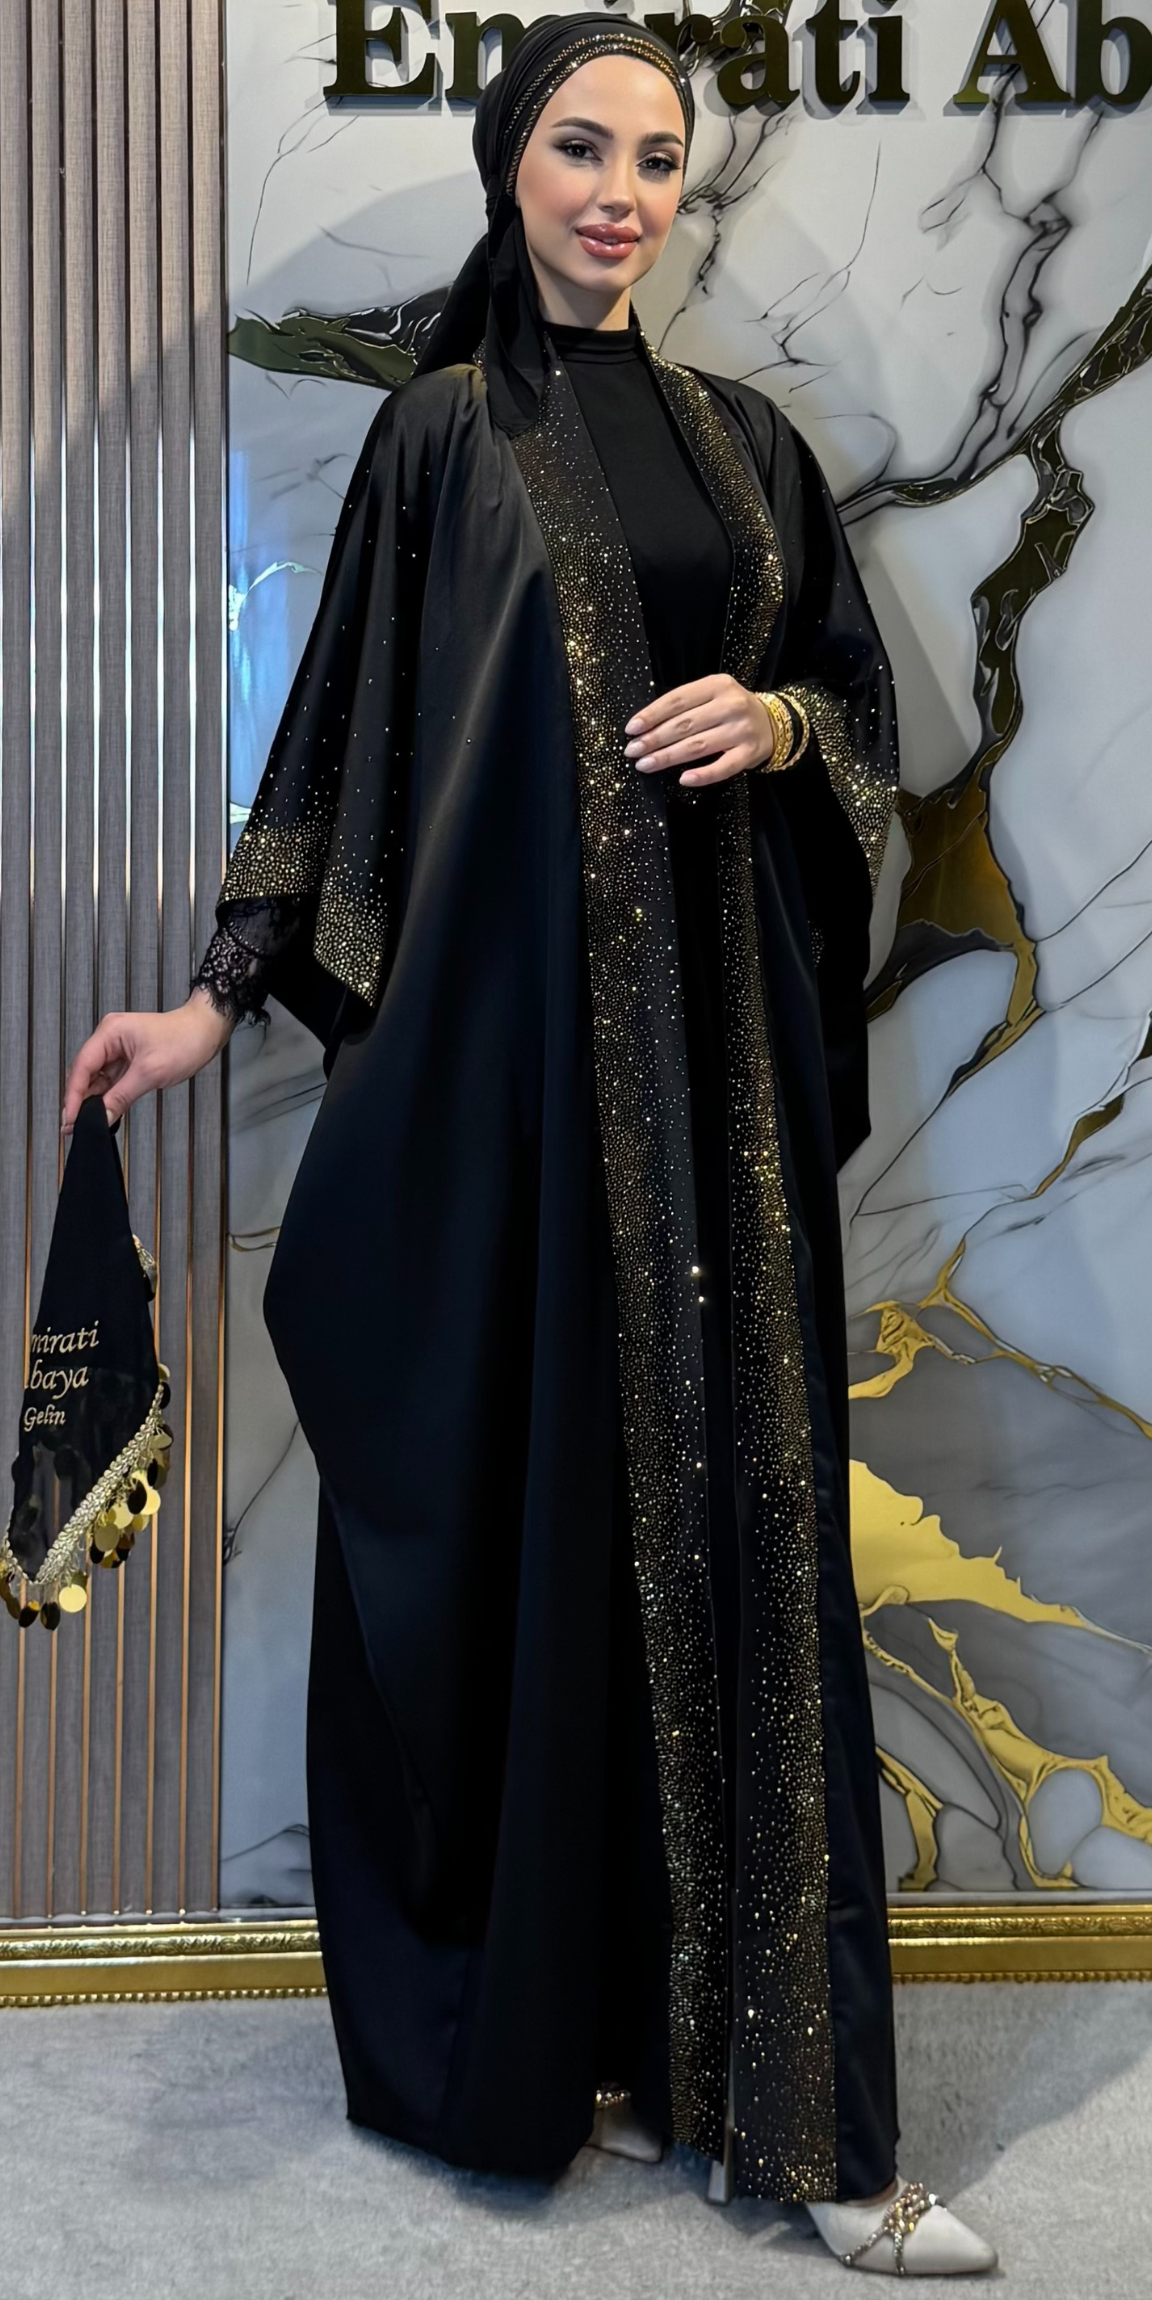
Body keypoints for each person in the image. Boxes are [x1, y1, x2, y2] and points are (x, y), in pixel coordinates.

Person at [63, 15, 997, 2278]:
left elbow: (862, 713)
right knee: (540, 1543)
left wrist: (779, 716)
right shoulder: (437, 441)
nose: (622, 192)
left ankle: (807, 2126)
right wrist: (213, 996)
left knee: (750, 1547)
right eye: (584, 147)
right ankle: (572, 2039)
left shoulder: (752, 450)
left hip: (726, 1105)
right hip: (515, 1105)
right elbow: (336, 747)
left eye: (659, 157)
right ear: (513, 163)